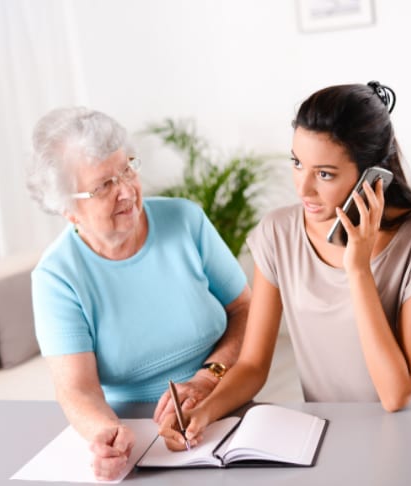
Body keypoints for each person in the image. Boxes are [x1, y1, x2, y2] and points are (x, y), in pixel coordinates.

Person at [159, 81, 411, 450]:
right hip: (331, 436)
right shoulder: (277, 232)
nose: (303, 189)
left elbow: (396, 395)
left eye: (325, 174)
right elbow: (253, 365)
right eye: (297, 163)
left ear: (372, 176)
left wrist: (359, 269)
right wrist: (204, 413)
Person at [25, 107, 251, 479]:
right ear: (68, 209)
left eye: (127, 169)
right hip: (139, 439)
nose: (127, 190)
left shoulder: (186, 220)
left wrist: (206, 379)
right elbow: (77, 389)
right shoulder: (56, 277)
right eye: (103, 185)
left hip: (224, 407)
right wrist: (105, 434)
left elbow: (245, 309)